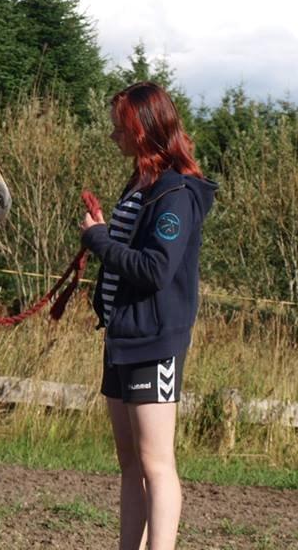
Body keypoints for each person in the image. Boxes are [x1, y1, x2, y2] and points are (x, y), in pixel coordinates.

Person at [79, 81, 217, 550]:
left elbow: (157, 269)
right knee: (130, 465)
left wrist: (98, 240)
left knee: (157, 465)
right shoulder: (140, 186)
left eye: (121, 126)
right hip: (122, 338)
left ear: (144, 128)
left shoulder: (176, 194)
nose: (115, 134)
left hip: (154, 342)